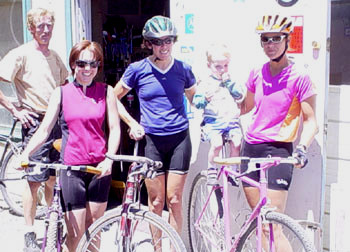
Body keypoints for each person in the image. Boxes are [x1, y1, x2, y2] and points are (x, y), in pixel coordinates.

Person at [19, 40, 121, 252]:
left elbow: (114, 128)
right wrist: (27, 154)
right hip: (72, 169)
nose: (88, 69)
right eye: (82, 63)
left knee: (94, 232)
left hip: (99, 169)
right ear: (73, 64)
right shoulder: (62, 92)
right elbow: (45, 129)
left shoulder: (106, 91)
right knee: (75, 236)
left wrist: (109, 158)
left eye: (94, 64)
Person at [113, 15, 196, 238]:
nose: (164, 46)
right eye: (158, 42)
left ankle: (176, 247)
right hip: (152, 141)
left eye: (168, 40)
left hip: (179, 138)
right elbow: (112, 98)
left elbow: (196, 99)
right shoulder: (137, 69)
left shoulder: (183, 70)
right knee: (157, 201)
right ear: (149, 43)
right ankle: (157, 247)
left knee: (175, 200)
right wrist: (131, 123)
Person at [240, 15, 318, 251]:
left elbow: (311, 121)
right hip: (250, 149)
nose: (270, 44)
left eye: (276, 39)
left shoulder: (299, 76)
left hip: (278, 150)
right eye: (265, 39)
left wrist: (302, 148)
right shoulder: (256, 72)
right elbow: (245, 107)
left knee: (272, 226)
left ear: (287, 40)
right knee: (258, 222)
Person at [0, 8, 69, 252]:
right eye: (40, 26)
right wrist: (14, 110)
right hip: (35, 124)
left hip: (56, 124)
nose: (45, 30)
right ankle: (29, 233)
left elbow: (64, 85)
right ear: (31, 28)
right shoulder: (21, 54)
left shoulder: (56, 56)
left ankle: (53, 224)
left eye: (48, 25)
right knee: (33, 182)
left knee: (52, 179)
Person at [193, 43, 245, 186]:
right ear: (209, 65)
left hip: (231, 121)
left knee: (237, 143)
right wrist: (205, 99)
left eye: (226, 66)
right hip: (214, 122)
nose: (222, 70)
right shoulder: (205, 83)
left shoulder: (231, 81)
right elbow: (196, 102)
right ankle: (211, 170)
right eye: (218, 67)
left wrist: (229, 84)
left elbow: (240, 95)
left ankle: (233, 171)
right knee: (216, 144)